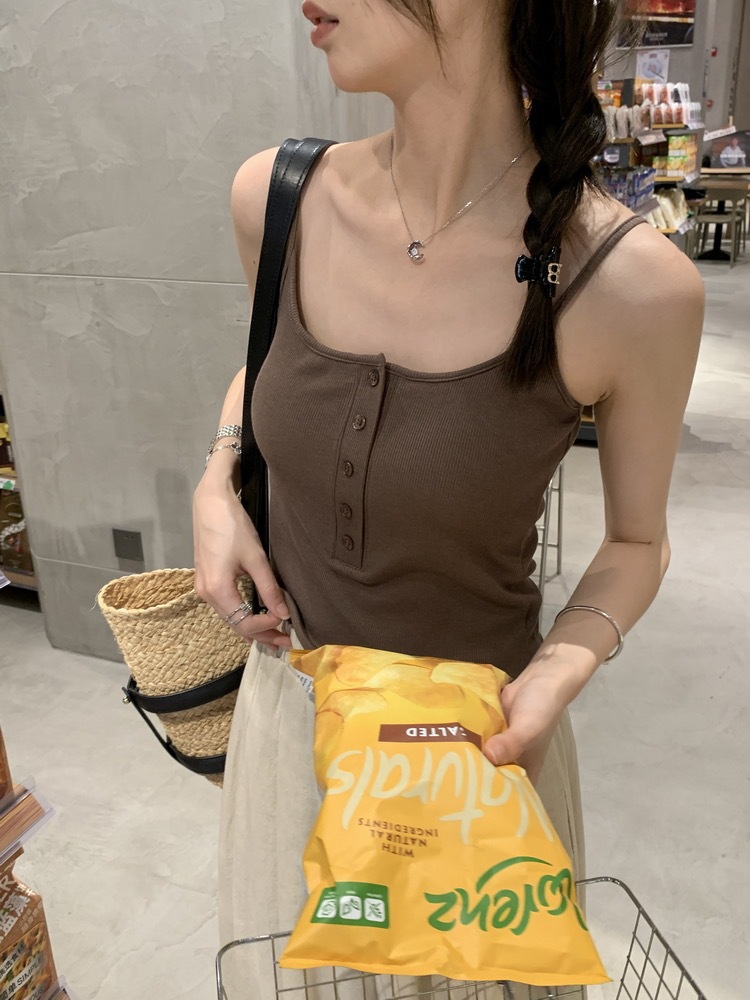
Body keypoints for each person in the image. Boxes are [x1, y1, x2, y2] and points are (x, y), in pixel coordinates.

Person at [193, 0, 704, 994]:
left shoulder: (632, 286)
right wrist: (219, 479)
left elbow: (637, 543)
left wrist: (562, 667)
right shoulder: (276, 199)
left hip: (475, 759)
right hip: (292, 733)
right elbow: (265, 366)